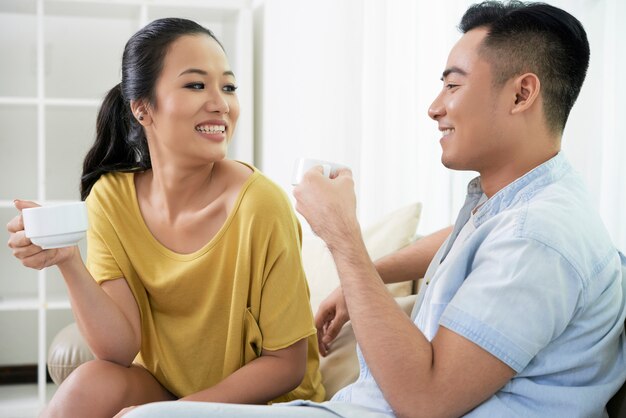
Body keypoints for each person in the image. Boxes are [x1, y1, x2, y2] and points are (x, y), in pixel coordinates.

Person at [119, 1, 626, 417]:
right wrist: (373, 273)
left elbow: (426, 401)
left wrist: (342, 237)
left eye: (453, 84)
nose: (435, 106)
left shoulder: (540, 236)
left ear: (521, 93)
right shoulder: (521, 204)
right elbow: (472, 236)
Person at [6, 17, 324, 417]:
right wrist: (67, 260)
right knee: (88, 385)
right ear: (142, 109)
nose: (220, 103)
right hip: (167, 389)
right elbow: (118, 350)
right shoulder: (111, 198)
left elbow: (286, 366)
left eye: (228, 87)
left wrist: (172, 414)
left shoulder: (261, 205)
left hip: (261, 402)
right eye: (196, 85)